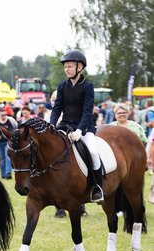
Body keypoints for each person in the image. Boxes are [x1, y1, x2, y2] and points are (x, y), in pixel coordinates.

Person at [50, 49, 103, 203]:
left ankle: (97, 188)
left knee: (93, 152)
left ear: (79, 67)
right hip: (65, 125)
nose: (67, 69)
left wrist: (80, 130)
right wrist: (51, 125)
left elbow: (87, 111)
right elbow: (57, 108)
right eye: (65, 67)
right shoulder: (62, 86)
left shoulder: (88, 86)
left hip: (84, 127)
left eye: (70, 66)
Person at [0, 107, 18, 179]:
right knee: (1, 159)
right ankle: (3, 174)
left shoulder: (11, 120)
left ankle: (8, 173)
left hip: (8, 142)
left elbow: (16, 127)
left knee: (8, 157)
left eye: (5, 115)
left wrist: (13, 134)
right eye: (2, 115)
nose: (4, 116)